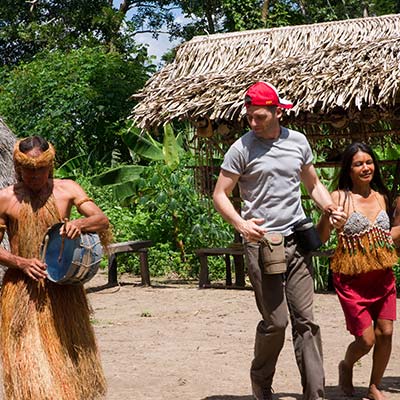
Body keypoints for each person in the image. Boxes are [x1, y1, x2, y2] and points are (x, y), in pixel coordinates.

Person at [213, 81, 345, 400]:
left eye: (259, 116)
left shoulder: (298, 142)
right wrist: (242, 224)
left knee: (307, 321)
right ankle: (260, 378)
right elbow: (220, 194)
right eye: (249, 117)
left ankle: (315, 393)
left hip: (297, 240)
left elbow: (313, 184)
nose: (253, 123)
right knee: (276, 322)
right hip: (262, 244)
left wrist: (328, 206)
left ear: (276, 112)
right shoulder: (241, 148)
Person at [0, 136, 109, 399]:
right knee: (28, 363)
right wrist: (21, 262)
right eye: (29, 170)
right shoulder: (5, 199)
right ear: (18, 167)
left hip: (64, 291)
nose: (35, 175)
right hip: (22, 293)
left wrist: (79, 225)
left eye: (40, 169)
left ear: (50, 166)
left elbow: (101, 220)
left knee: (68, 359)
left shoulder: (67, 189)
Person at [317, 142, 398, 400]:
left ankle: (374, 386)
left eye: (369, 162)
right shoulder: (339, 197)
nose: (366, 167)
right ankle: (347, 366)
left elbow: (394, 234)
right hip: (352, 281)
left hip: (382, 276)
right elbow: (321, 236)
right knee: (366, 340)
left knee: (386, 332)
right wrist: (328, 219)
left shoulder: (382, 196)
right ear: (348, 170)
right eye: (358, 164)